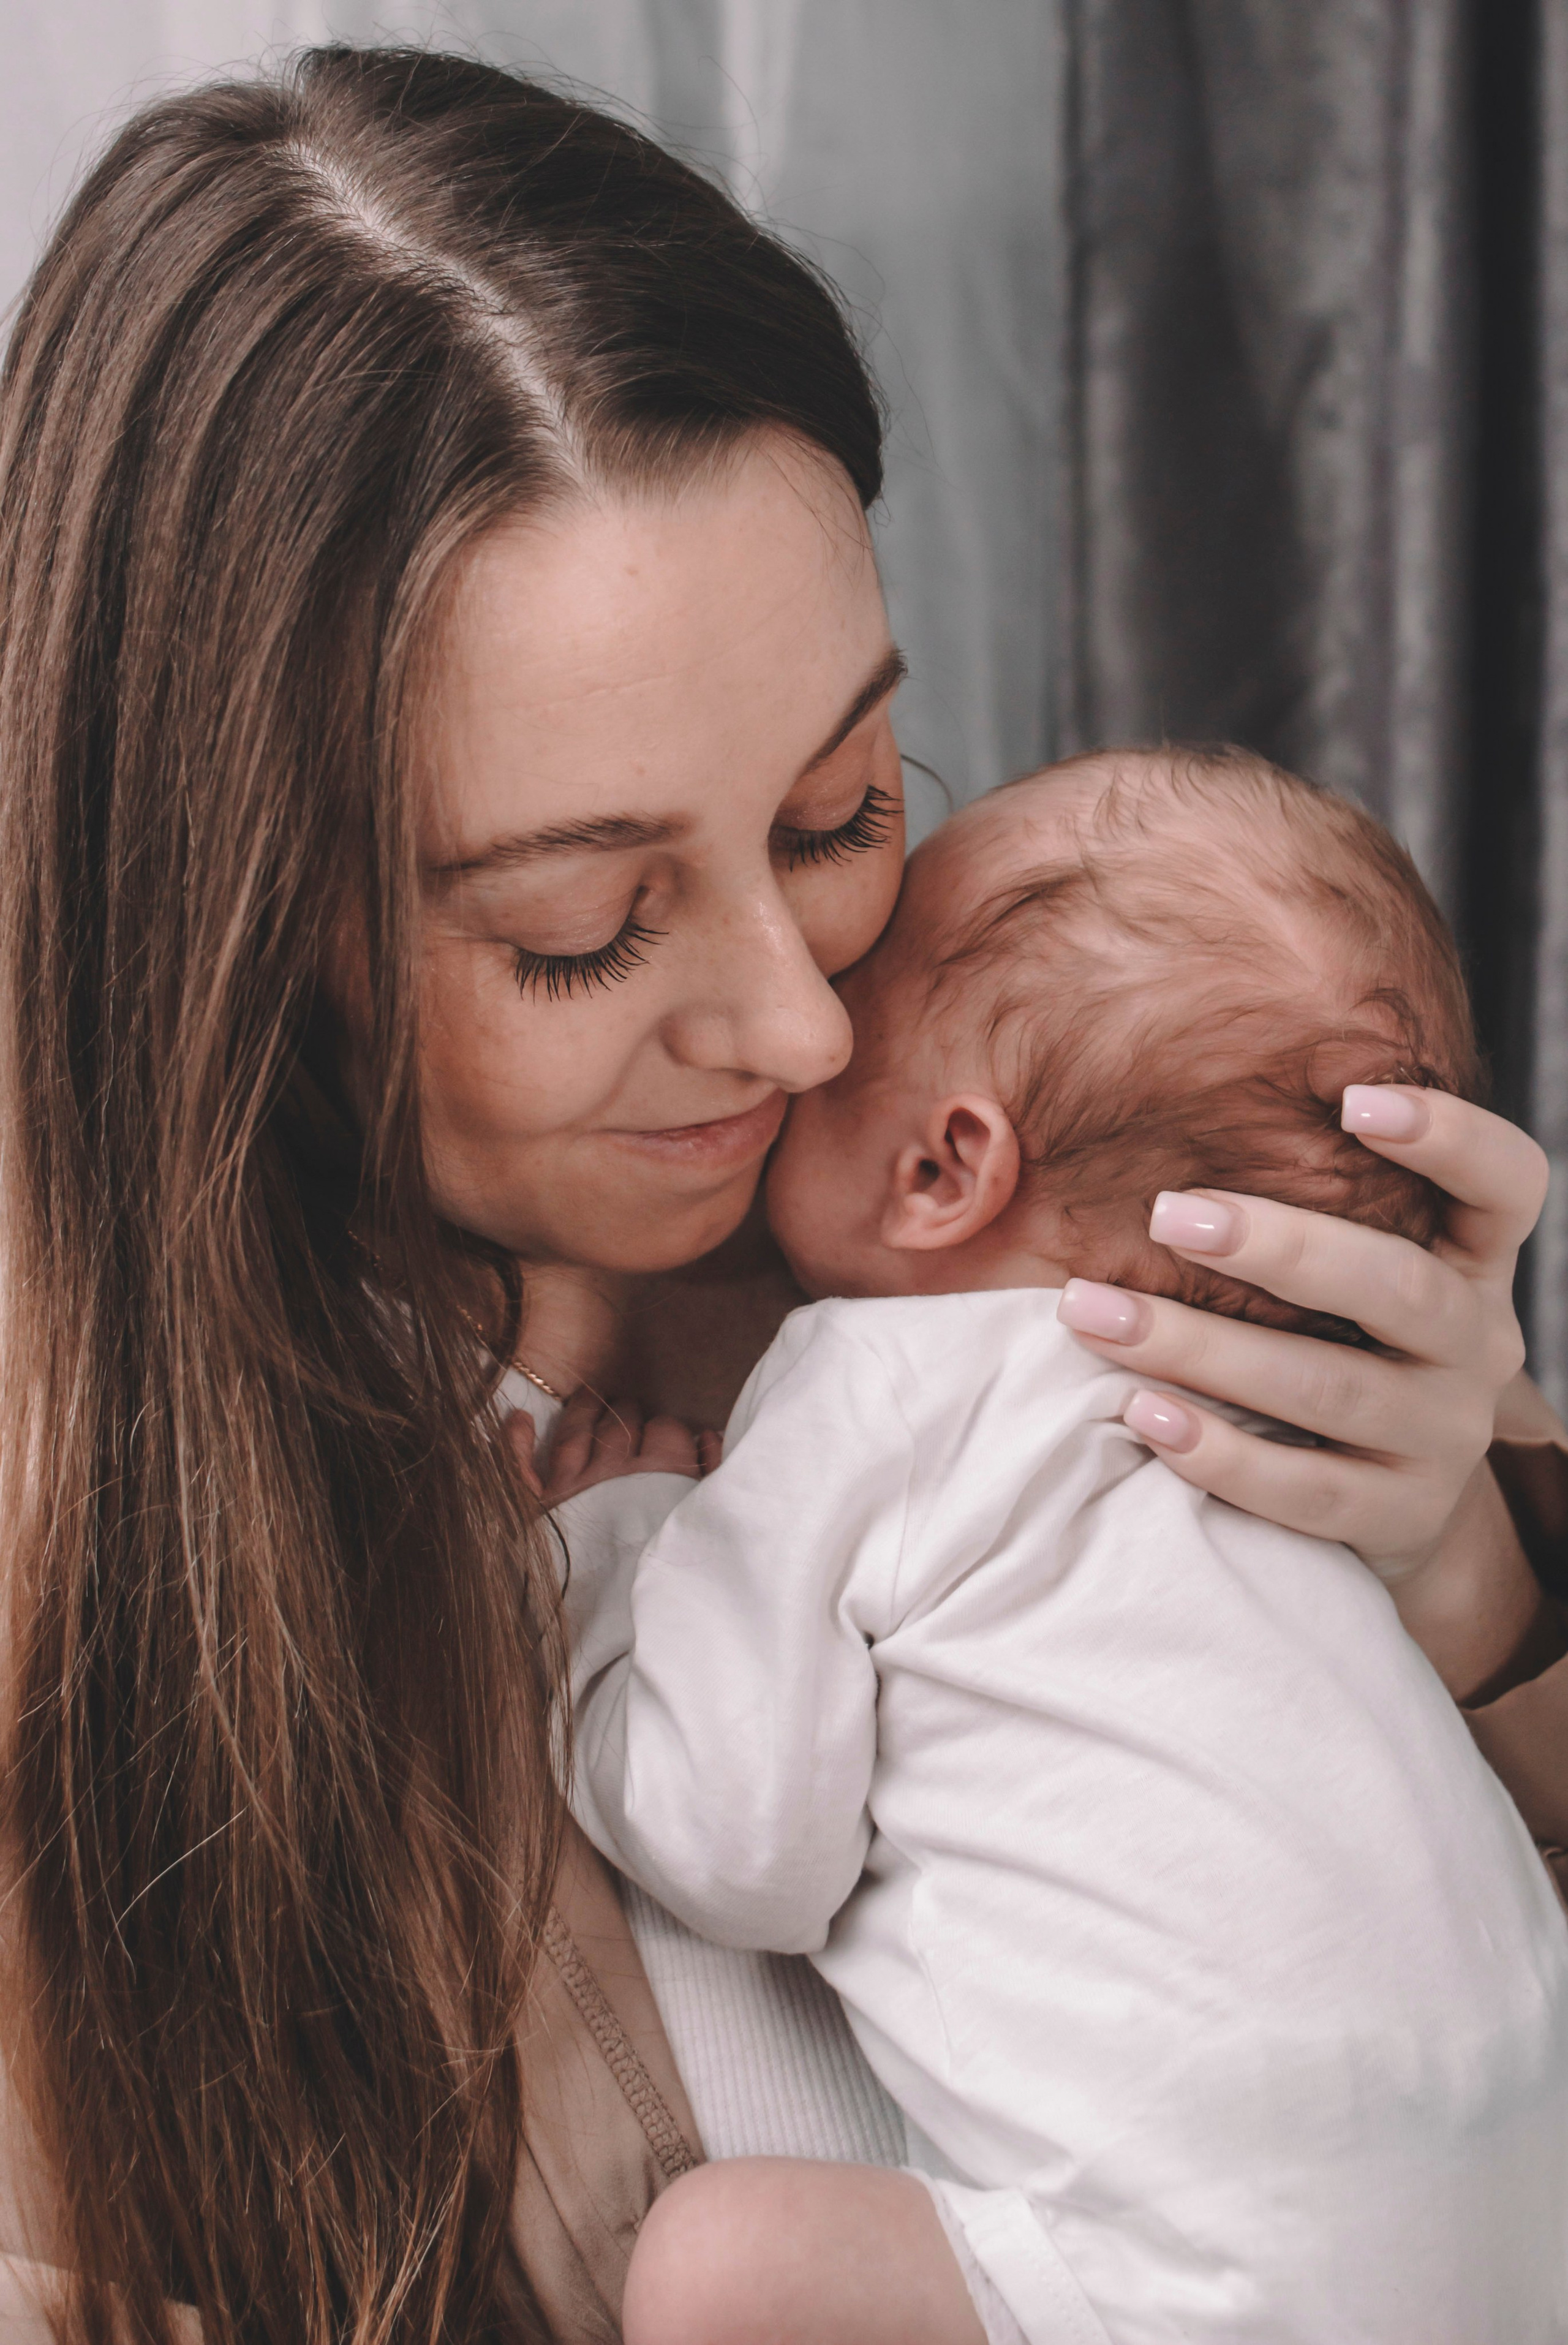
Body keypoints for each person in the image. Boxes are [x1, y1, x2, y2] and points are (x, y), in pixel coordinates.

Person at [0, 44, 1561, 2345]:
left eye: (841, 810)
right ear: (229, 929)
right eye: (582, 931)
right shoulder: (89, 1601)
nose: (811, 1025)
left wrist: (1474, 1591)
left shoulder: (1025, 1216)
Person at [549, 746, 1568, 2344]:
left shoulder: (872, 1388)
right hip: (1515, 2241)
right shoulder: (1283, 1418)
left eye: (840, 841)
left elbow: (738, 1843)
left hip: (1201, 2289)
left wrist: (608, 1560)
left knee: (709, 2267)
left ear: (946, 1165)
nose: (802, 1029)